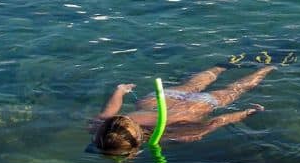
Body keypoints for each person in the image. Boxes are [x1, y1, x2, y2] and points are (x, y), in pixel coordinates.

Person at [91, 63, 272, 154]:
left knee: (232, 91)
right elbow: (111, 108)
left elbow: (213, 123)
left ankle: (266, 69)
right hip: (155, 101)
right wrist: (120, 91)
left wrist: (246, 113)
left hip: (191, 109)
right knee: (191, 85)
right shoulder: (102, 125)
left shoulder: (166, 137)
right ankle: (222, 66)